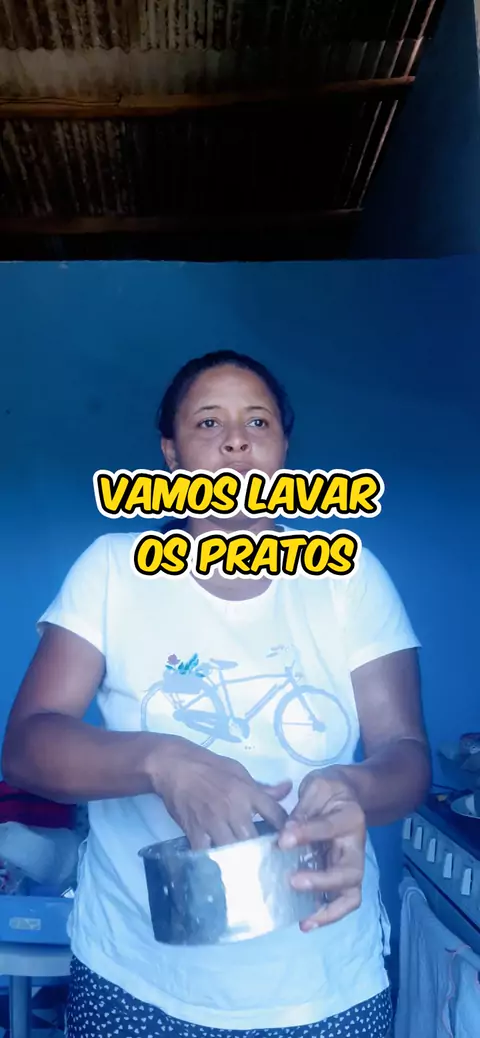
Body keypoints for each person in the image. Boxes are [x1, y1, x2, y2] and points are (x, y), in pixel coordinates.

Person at [2, 349, 431, 1038]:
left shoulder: (348, 579)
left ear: (283, 451)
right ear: (170, 455)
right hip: (134, 977)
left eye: (257, 421)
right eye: (209, 422)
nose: (236, 440)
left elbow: (404, 752)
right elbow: (27, 744)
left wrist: (354, 787)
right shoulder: (114, 571)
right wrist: (162, 761)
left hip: (324, 986)